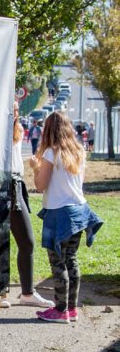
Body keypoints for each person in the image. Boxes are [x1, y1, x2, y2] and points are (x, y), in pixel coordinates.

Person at [31, 111, 103, 324]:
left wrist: (35, 168)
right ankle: (71, 308)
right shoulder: (79, 151)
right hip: (79, 211)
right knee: (71, 259)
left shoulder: (51, 154)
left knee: (58, 262)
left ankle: (60, 310)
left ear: (48, 130)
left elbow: (40, 185)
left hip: (59, 214)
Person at [3, 103, 54, 309]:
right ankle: (0, 291)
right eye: (11, 108)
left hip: (17, 184)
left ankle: (27, 293)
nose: (15, 112)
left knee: (27, 241)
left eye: (17, 108)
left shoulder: (19, 129)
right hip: (3, 183)